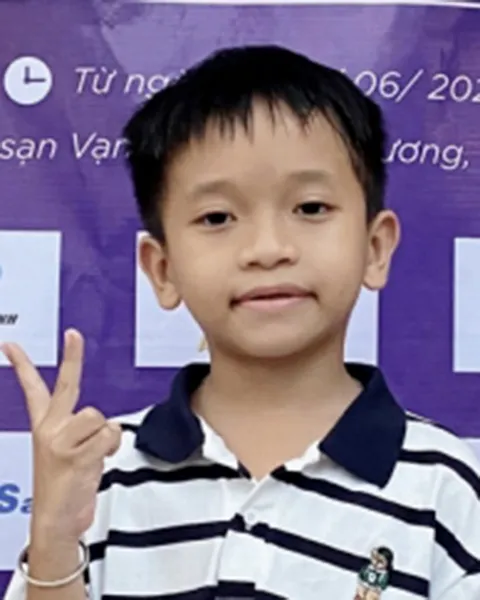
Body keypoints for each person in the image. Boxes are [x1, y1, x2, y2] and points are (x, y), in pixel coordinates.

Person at [2, 45, 480, 600]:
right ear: (162, 270)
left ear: (375, 248)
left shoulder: (442, 483)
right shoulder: (103, 473)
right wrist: (54, 540)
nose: (268, 248)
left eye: (310, 208)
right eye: (217, 217)